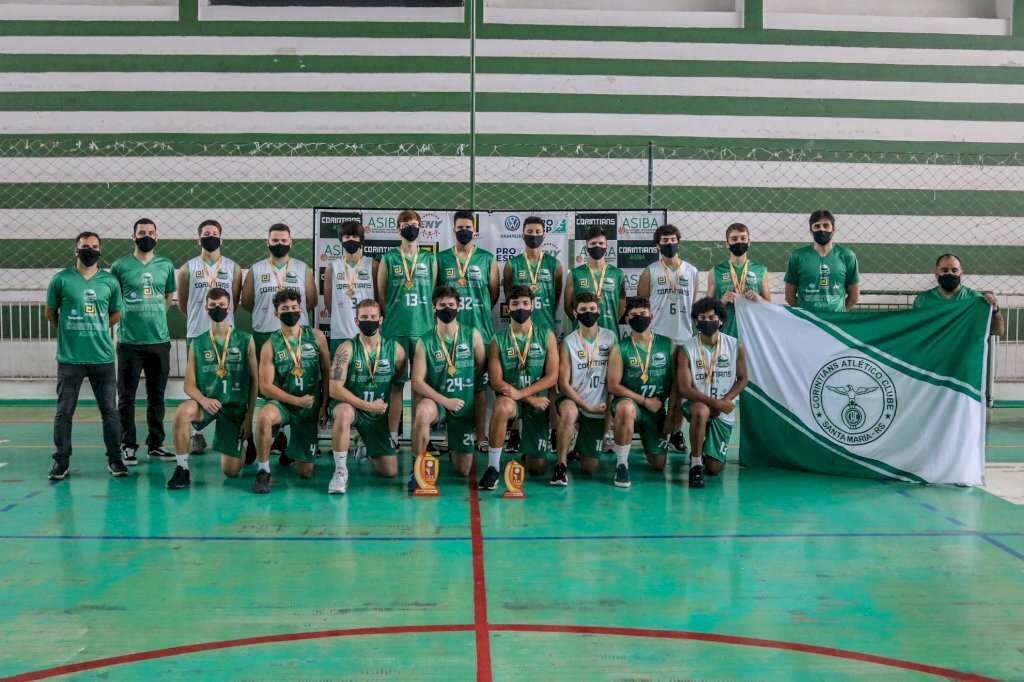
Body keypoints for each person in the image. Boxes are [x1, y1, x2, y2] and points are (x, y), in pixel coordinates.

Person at [45, 231, 126, 479]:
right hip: (70, 359)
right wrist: (69, 331)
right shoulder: (61, 280)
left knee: (110, 412)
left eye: (94, 246)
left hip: (102, 358)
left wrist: (97, 327)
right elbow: (51, 312)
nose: (89, 250)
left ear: (100, 251)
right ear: (76, 250)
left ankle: (115, 459)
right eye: (85, 246)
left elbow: (116, 312)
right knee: (64, 412)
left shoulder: (109, 281)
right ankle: (61, 461)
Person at [240, 223, 318, 463]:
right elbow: (247, 302)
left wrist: (291, 319)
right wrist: (268, 316)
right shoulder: (256, 269)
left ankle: (293, 442)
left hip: (296, 338)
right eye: (275, 240)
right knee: (267, 389)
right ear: (268, 242)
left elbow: (311, 301)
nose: (280, 244)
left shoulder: (302, 268)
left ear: (291, 242)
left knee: (295, 384)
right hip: (265, 334)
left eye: (284, 240)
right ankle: (275, 435)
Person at [167, 288, 258, 489]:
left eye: (222, 305)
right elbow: (188, 385)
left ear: (230, 308)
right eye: (213, 306)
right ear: (206, 309)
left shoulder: (245, 340)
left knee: (230, 471)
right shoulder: (198, 342)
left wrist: (249, 418)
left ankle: (245, 440)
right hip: (208, 404)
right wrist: (204, 400)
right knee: (182, 412)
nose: (218, 309)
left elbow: (254, 382)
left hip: (234, 407)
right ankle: (182, 468)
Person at [110, 218, 177, 465]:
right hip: (129, 342)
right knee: (126, 397)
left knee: (156, 396)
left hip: (159, 341)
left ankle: (156, 444)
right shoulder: (119, 266)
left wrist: (154, 315)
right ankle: (128, 445)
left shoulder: (166, 265)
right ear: (134, 236)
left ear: (156, 237)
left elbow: (168, 297)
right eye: (141, 232)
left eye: (150, 232)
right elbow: (113, 300)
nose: (146, 236)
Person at [479, 285, 559, 491]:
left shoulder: (547, 335)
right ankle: (493, 467)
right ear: (508, 308)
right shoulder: (498, 339)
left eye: (525, 303)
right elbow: (495, 381)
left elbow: (552, 376)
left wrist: (523, 394)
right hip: (514, 399)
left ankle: (529, 450)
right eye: (515, 304)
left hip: (538, 402)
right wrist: (528, 398)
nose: (520, 308)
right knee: (501, 407)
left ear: (532, 306)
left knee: (536, 468)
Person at [252, 289, 330, 494]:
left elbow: (327, 373)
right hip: (284, 403)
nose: (290, 312)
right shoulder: (270, 345)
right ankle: (263, 470)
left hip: (309, 406)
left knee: (306, 472)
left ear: (301, 310)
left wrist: (324, 405)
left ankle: (291, 452)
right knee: (264, 417)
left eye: (294, 307)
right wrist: (296, 401)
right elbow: (265, 386)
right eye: (285, 308)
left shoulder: (316, 337)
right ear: (276, 313)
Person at [177, 219, 242, 455]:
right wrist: (200, 319)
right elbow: (183, 303)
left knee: (228, 382)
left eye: (214, 233)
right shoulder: (187, 268)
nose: (210, 237)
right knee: (199, 384)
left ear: (221, 238)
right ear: (199, 239)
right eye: (206, 234)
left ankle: (231, 429)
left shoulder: (234, 268)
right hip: (197, 333)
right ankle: (198, 434)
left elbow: (234, 301)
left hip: (227, 336)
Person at [328, 299, 406, 493]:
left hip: (376, 415)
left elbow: (397, 386)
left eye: (373, 317)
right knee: (344, 413)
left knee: (390, 471)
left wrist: (392, 431)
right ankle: (340, 471)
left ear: (381, 320)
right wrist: (368, 406)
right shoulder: (346, 349)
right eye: (364, 317)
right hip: (352, 407)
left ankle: (364, 444)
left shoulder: (396, 350)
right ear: (356, 321)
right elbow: (334, 389)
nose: (369, 321)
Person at [411, 286, 487, 484]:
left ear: (459, 307)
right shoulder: (425, 341)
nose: (447, 309)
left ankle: (455, 449)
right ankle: (416, 467)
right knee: (422, 411)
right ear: (433, 308)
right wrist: (445, 401)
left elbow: (481, 366)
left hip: (463, 404)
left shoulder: (472, 335)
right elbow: (417, 381)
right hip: (439, 403)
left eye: (451, 305)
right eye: (442, 305)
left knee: (463, 470)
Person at [436, 210, 498, 450]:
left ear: (474, 230)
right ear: (454, 229)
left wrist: (478, 311)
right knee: (452, 383)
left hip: (480, 330)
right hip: (450, 332)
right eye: (460, 227)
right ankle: (451, 435)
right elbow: (437, 295)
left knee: (480, 388)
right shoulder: (441, 259)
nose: (464, 231)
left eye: (468, 227)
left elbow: (493, 294)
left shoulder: (487, 258)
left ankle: (481, 436)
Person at [377, 210, 438, 449]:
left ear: (420, 228)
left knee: (420, 385)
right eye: (405, 224)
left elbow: (433, 292)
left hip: (423, 329)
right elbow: (382, 295)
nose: (410, 228)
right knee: (395, 384)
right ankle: (392, 436)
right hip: (395, 329)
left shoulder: (430, 259)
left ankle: (418, 437)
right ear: (398, 228)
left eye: (414, 224)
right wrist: (394, 314)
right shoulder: (389, 258)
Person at [636, 223, 698, 454]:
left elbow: (693, 305)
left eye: (673, 240)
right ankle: (655, 430)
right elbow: (641, 305)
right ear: (657, 245)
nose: (669, 244)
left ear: (678, 242)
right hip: (657, 339)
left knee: (680, 389)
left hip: (683, 338)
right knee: (658, 387)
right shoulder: (650, 271)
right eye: (665, 241)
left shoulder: (692, 271)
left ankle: (676, 432)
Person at [677, 297, 748, 489]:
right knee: (702, 412)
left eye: (712, 317)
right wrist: (715, 403)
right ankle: (696, 464)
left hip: (724, 406)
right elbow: (684, 388)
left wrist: (725, 401)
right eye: (702, 318)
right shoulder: (687, 348)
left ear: (721, 320)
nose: (707, 321)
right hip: (696, 404)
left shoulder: (735, 345)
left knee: (715, 468)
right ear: (696, 321)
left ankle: (704, 449)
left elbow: (743, 379)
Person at [606, 297, 676, 489]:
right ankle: (622, 464)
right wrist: (644, 401)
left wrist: (672, 416)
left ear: (651, 316)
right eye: (633, 315)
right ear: (627, 319)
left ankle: (647, 438)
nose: (638, 317)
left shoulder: (667, 345)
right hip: (632, 403)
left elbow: (676, 384)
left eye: (643, 314)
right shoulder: (620, 348)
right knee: (625, 409)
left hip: (657, 408)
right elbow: (613, 386)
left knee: (658, 464)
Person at [553, 292, 615, 486]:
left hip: (598, 405)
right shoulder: (568, 342)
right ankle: (561, 465)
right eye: (583, 309)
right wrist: (586, 407)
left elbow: (614, 380)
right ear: (575, 313)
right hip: (573, 399)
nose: (588, 312)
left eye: (592, 309)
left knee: (590, 469)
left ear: (599, 311)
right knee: (569, 412)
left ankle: (578, 445)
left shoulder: (610, 338)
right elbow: (563, 384)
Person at [784, 210, 860, 312]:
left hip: (836, 319)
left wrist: (839, 313)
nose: (821, 229)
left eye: (826, 226)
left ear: (833, 229)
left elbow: (854, 297)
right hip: (807, 320)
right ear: (811, 231)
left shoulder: (847, 256)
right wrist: (805, 314)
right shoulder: (798, 256)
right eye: (817, 226)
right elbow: (789, 297)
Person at [913, 254, 1005, 336]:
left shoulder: (975, 298)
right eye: (945, 270)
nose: (950, 273)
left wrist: (995, 310)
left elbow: (998, 331)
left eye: (954, 270)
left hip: (964, 350)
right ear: (937, 274)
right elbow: (913, 331)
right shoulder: (923, 300)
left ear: (961, 274)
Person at [707, 222, 770, 337]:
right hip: (725, 334)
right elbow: (706, 309)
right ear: (727, 244)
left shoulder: (761, 270)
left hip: (753, 335)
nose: (739, 242)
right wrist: (721, 302)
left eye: (743, 238)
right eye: (734, 239)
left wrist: (759, 298)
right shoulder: (715, 271)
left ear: (749, 242)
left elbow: (769, 306)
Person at [324, 220, 377, 358]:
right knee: (339, 370)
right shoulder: (332, 267)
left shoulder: (372, 265)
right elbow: (328, 303)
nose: (351, 240)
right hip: (340, 332)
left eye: (355, 236)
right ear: (341, 240)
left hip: (368, 333)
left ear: (361, 239)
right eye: (347, 237)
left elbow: (378, 298)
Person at [503, 215, 562, 334]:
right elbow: (508, 296)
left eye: (538, 232)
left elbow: (557, 295)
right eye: (529, 232)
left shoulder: (555, 264)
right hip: (519, 328)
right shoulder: (511, 264)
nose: (534, 235)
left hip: (546, 327)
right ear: (523, 235)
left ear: (544, 235)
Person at [564, 225, 626, 333]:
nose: (597, 246)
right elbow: (568, 306)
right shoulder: (574, 274)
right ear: (586, 246)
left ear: (607, 246)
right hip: (582, 334)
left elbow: (621, 307)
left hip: (610, 332)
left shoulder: (618, 274)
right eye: (593, 243)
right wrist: (581, 320)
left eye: (601, 243)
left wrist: (610, 321)